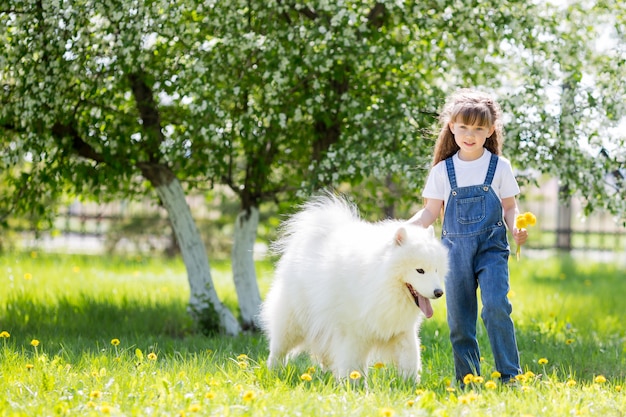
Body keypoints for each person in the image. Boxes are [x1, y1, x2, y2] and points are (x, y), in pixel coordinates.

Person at [408, 88, 527, 386]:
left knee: (497, 306)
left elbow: (510, 206)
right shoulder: (441, 171)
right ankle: (468, 380)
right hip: (454, 255)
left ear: (490, 130)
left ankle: (510, 376)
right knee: (460, 323)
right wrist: (400, 230)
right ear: (451, 126)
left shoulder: (499, 166)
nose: (470, 134)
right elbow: (429, 214)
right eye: (463, 127)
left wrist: (515, 228)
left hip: (491, 250)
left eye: (477, 128)